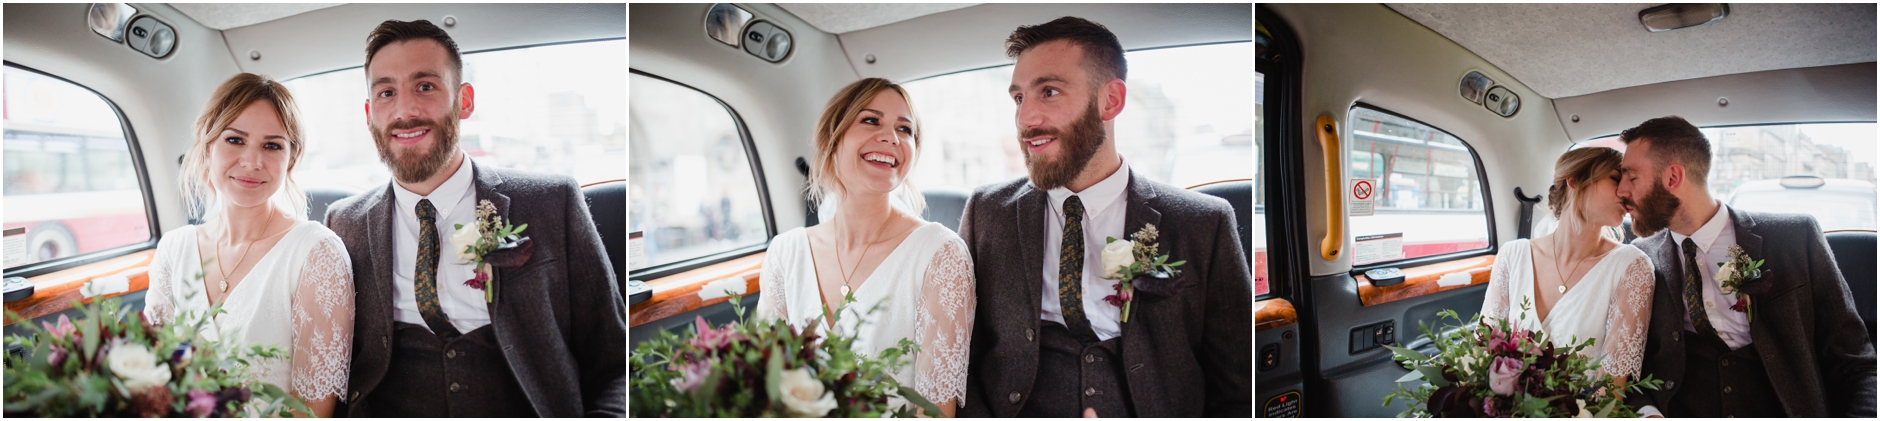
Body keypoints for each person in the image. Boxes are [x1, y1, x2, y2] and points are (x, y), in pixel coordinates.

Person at [323, 19, 625, 417]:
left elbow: (614, 363)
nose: (405, 110)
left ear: (464, 100)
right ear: (368, 113)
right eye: (386, 93)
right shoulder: (342, 224)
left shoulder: (553, 202)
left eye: (425, 87)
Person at [957, 17, 1252, 417]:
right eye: (1019, 98)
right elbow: (962, 358)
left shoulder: (1204, 223)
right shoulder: (987, 212)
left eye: (1049, 92)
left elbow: (1237, 386)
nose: (1026, 120)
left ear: (1110, 100)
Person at [1615, 116, 1875, 417]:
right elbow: (1630, 366)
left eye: (1631, 177)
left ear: (1673, 177)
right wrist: (1646, 412)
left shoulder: (1794, 238)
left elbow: (1855, 361)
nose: (1621, 191)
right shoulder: (1639, 258)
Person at [754, 77, 976, 417]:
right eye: (871, 120)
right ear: (832, 137)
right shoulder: (785, 253)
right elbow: (765, 380)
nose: (891, 137)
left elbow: (934, 411)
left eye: (905, 130)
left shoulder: (940, 253)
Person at [144, 73, 354, 417]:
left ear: (292, 158)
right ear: (207, 144)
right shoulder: (173, 249)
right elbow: (154, 381)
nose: (252, 162)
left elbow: (310, 411)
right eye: (235, 140)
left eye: (272, 145)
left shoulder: (315, 252)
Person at [1478, 147, 1653, 384]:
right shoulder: (1512, 256)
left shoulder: (1632, 267)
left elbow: (1611, 387)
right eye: (1615, 179)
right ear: (1574, 181)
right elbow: (1484, 351)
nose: (1627, 192)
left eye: (1630, 183)